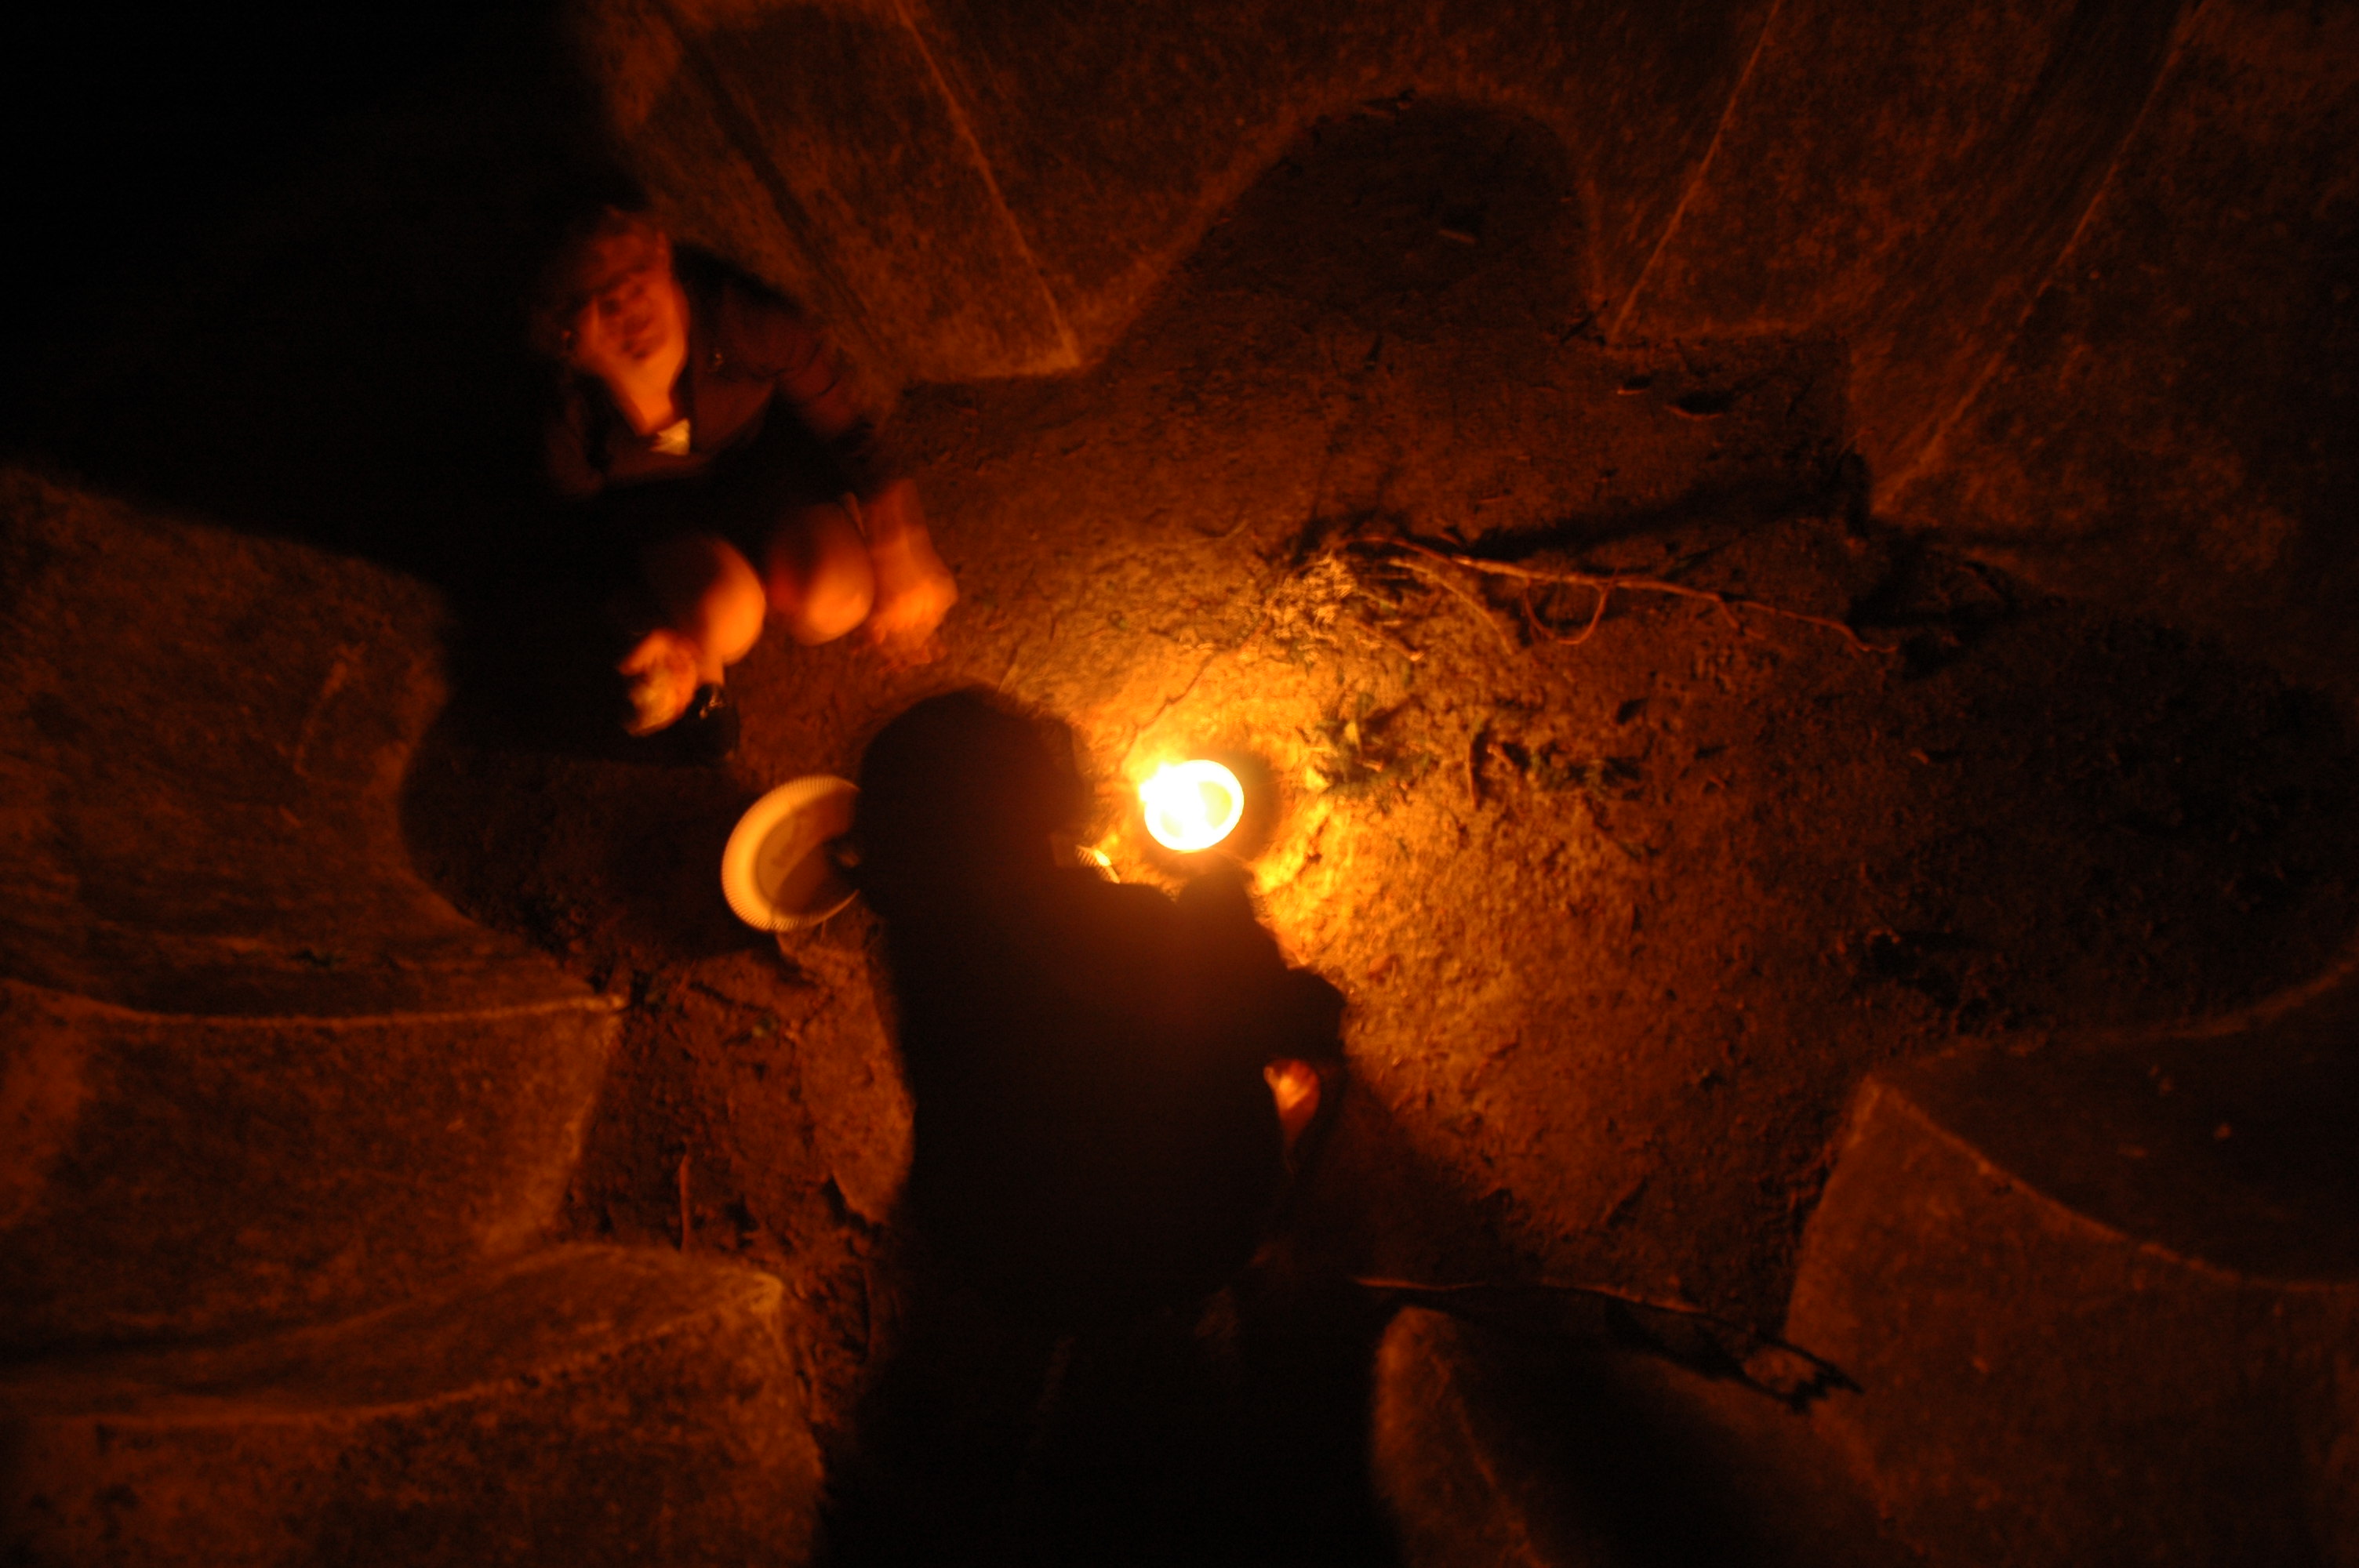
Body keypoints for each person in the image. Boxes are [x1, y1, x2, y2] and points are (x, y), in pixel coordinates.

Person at [852, 688, 1346, 1330]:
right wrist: (1220, 897)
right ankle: (1273, 1153)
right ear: (1040, 800)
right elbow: (1297, 1015)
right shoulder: (1122, 930)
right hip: (1177, 1239)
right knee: (1254, 1074)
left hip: (994, 1251)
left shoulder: (919, 944)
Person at [531, 207, 955, 745]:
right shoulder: (569, 416)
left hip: (761, 466)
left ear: (663, 256)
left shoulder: (742, 320)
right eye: (596, 299)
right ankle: (702, 676)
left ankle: (775, 566)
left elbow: (850, 429)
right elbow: (578, 527)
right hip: (659, 507)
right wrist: (637, 620)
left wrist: (898, 541)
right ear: (565, 335)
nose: (627, 306)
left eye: (634, 273)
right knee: (727, 620)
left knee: (834, 601)